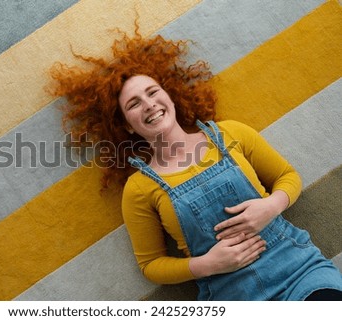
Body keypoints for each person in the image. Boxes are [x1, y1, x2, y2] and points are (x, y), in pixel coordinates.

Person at [48, 29, 342, 300]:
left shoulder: (230, 133)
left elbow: (287, 177)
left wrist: (271, 206)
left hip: (297, 270)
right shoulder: (139, 189)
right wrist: (205, 265)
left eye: (152, 93)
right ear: (126, 126)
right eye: (134, 104)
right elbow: (151, 265)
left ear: (170, 97)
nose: (149, 104)